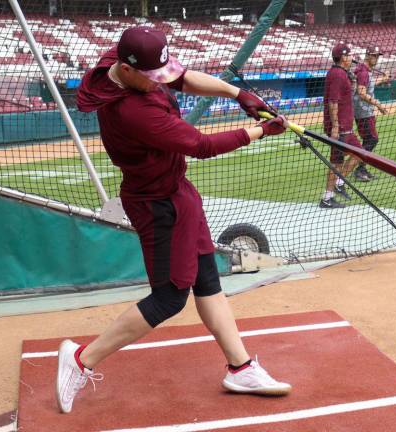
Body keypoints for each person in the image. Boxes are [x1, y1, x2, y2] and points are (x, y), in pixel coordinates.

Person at [55, 26, 291, 414]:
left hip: (178, 193)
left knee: (207, 279)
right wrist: (261, 131)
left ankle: (241, 368)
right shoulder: (134, 112)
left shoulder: (122, 63)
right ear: (126, 70)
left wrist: (239, 94)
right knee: (168, 298)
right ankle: (81, 359)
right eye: (152, 77)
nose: (160, 81)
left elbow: (181, 78)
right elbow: (201, 145)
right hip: (156, 205)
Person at [319, 42, 366, 209]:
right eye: (349, 55)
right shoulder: (338, 75)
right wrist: (335, 126)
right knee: (337, 162)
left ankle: (339, 183)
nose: (352, 57)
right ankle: (327, 197)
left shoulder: (341, 73)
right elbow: (333, 102)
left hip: (345, 127)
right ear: (343, 57)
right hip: (340, 128)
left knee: (359, 154)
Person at [352, 46, 390, 180]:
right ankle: (359, 170)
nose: (376, 58)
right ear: (367, 55)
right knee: (371, 139)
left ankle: (361, 169)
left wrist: (383, 79)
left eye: (378, 56)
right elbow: (362, 93)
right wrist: (378, 105)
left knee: (369, 139)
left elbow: (369, 84)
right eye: (374, 55)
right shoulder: (363, 72)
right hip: (363, 111)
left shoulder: (365, 71)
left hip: (364, 110)